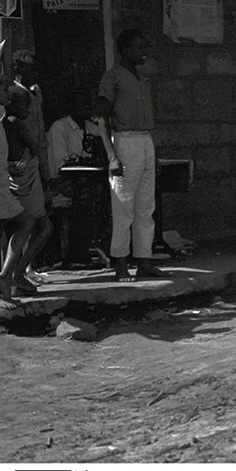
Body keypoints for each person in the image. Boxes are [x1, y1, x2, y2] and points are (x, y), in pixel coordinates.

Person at [95, 28, 165, 282]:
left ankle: (144, 260)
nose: (144, 52)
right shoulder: (112, 77)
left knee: (146, 207)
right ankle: (121, 263)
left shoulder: (142, 78)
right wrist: (112, 156)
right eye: (139, 47)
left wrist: (153, 153)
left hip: (145, 140)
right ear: (125, 50)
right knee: (123, 206)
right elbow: (101, 117)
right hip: (124, 141)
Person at [0, 73, 32, 309]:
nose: (8, 93)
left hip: (0, 181)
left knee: (25, 222)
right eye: (4, 90)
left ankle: (4, 275)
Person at [46, 89, 105, 268]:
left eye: (88, 104)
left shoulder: (92, 127)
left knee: (106, 195)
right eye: (82, 104)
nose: (87, 108)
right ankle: (78, 253)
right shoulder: (59, 128)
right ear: (71, 107)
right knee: (85, 198)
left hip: (86, 179)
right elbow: (60, 165)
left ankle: (100, 247)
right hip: (62, 182)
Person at [3, 85, 53, 294]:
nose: (28, 110)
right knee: (43, 227)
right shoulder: (16, 123)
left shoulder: (3, 123)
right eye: (25, 105)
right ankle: (17, 272)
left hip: (16, 181)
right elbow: (35, 148)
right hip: (25, 182)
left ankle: (14, 274)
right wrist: (46, 178)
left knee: (19, 229)